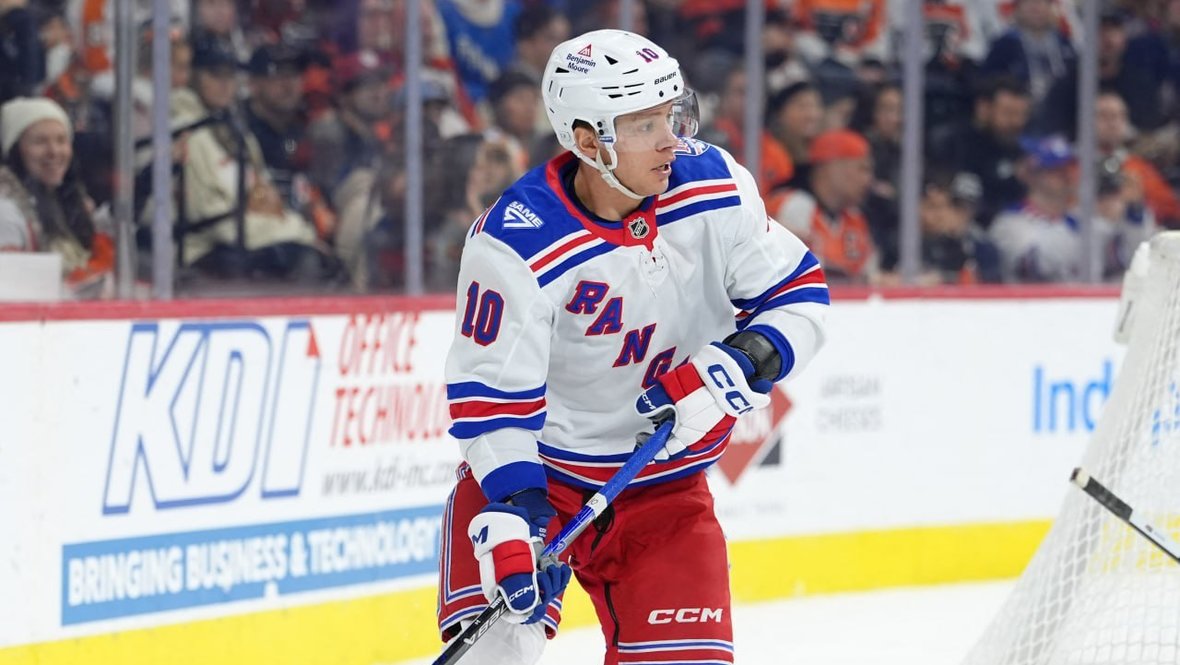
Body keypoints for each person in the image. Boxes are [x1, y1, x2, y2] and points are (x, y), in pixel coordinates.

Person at [435, 29, 829, 664]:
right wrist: (513, 516)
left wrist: (746, 358)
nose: (671, 139)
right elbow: (492, 402)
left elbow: (800, 295)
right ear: (589, 142)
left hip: (667, 497)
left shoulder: (714, 185)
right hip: (538, 483)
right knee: (497, 655)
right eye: (645, 125)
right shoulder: (516, 244)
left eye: (672, 115)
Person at [0, 97, 113, 298]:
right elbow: (10, 290)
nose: (54, 151)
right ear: (16, 150)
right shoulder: (6, 210)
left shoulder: (74, 203)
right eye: (40, 142)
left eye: (61, 140)